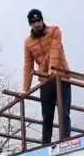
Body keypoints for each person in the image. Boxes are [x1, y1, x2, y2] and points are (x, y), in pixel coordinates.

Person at [23, 8, 71, 146]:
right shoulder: (28, 43)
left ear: (42, 20)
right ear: (30, 25)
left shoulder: (54, 31)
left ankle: (65, 141)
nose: (37, 24)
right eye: (33, 22)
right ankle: (45, 145)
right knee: (47, 116)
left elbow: (55, 50)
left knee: (64, 112)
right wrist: (25, 89)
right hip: (45, 80)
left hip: (61, 76)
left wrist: (53, 68)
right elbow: (28, 65)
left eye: (38, 20)